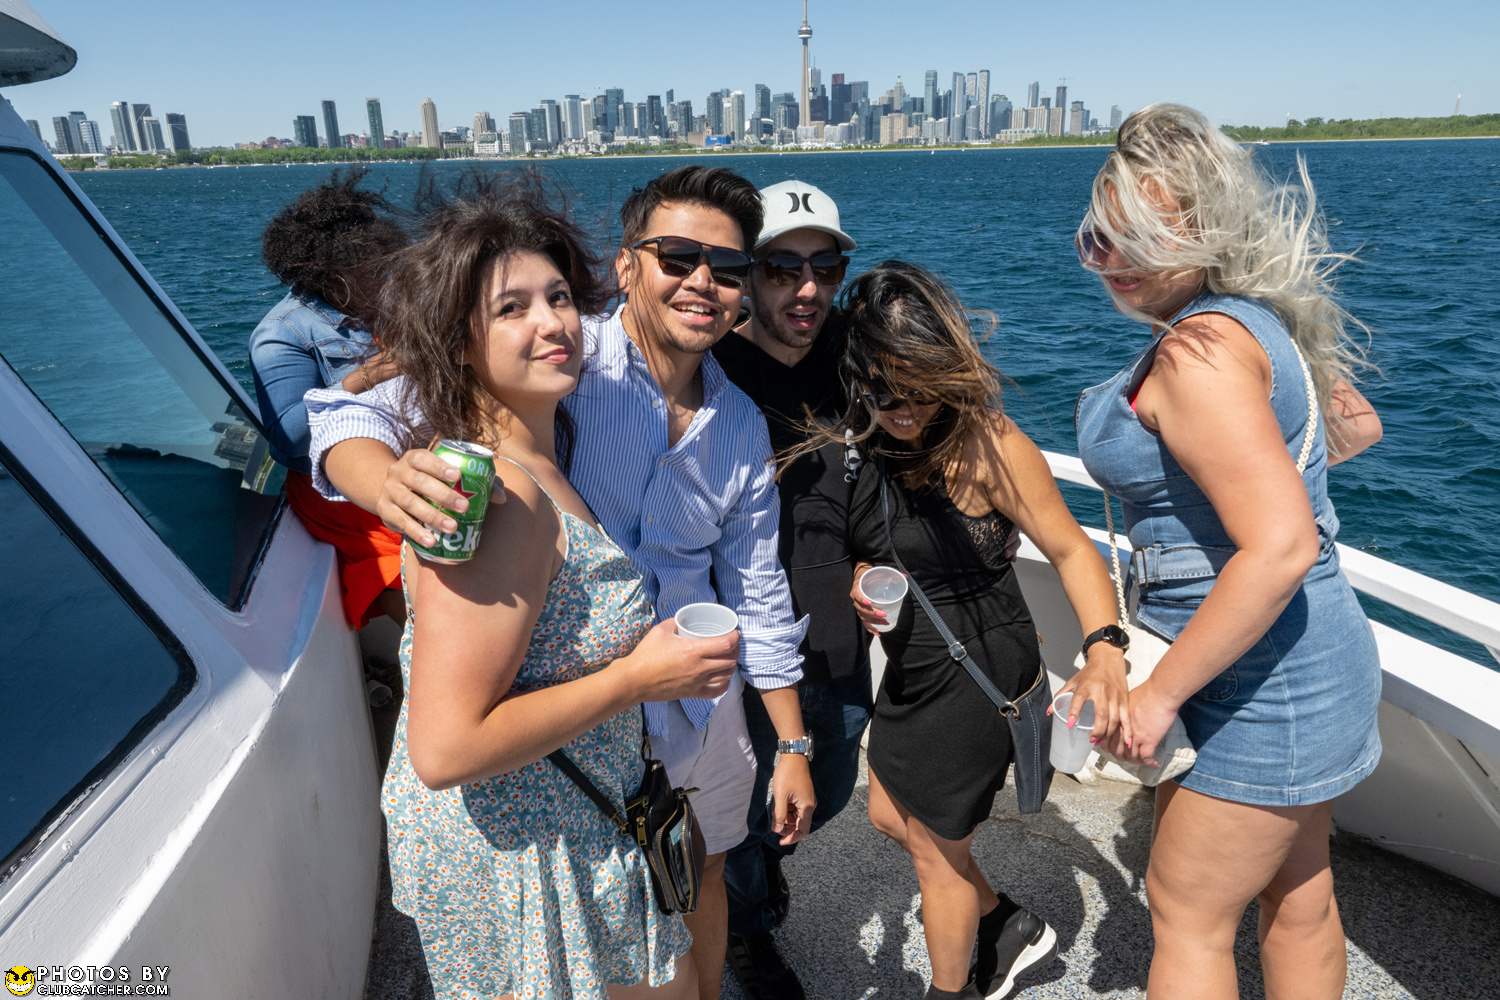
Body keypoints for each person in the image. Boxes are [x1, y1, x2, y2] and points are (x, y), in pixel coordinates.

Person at [307, 166, 817, 1000]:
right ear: (627, 266)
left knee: (699, 871)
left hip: (677, 719)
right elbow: (347, 411)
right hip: (557, 783)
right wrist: (388, 481)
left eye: (727, 268)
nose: (703, 281)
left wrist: (790, 745)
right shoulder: (557, 385)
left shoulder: (735, 421)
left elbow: (758, 589)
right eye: (678, 257)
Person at [1071, 104, 1383, 1000]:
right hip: (1306, 648)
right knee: (1299, 896)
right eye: (1100, 237)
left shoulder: (1201, 351)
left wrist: (1159, 695)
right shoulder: (1255, 322)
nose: (1116, 259)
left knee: (1186, 915)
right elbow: (1354, 428)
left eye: (1144, 236)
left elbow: (1279, 546)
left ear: (1207, 232)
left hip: (1259, 678)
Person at [798, 260, 1130, 1000]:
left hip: (978, 672)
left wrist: (1105, 651)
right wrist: (860, 574)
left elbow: (1073, 550)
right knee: (889, 814)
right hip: (913, 668)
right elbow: (872, 540)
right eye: (882, 390)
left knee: (936, 856)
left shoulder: (987, 443)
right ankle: (1007, 922)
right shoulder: (867, 437)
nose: (902, 408)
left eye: (919, 388)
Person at [712, 180, 869, 1000]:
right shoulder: (708, 367)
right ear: (746, 273)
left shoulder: (856, 357)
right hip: (740, 645)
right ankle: (745, 933)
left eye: (826, 267)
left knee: (827, 792)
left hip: (838, 640)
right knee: (739, 814)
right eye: (782, 267)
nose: (807, 288)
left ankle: (760, 874)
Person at [248, 166, 408, 627]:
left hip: (400, 459)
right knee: (411, 552)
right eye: (371, 268)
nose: (383, 275)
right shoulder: (281, 334)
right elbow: (290, 439)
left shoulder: (380, 304)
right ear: (331, 273)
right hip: (338, 488)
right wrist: (376, 371)